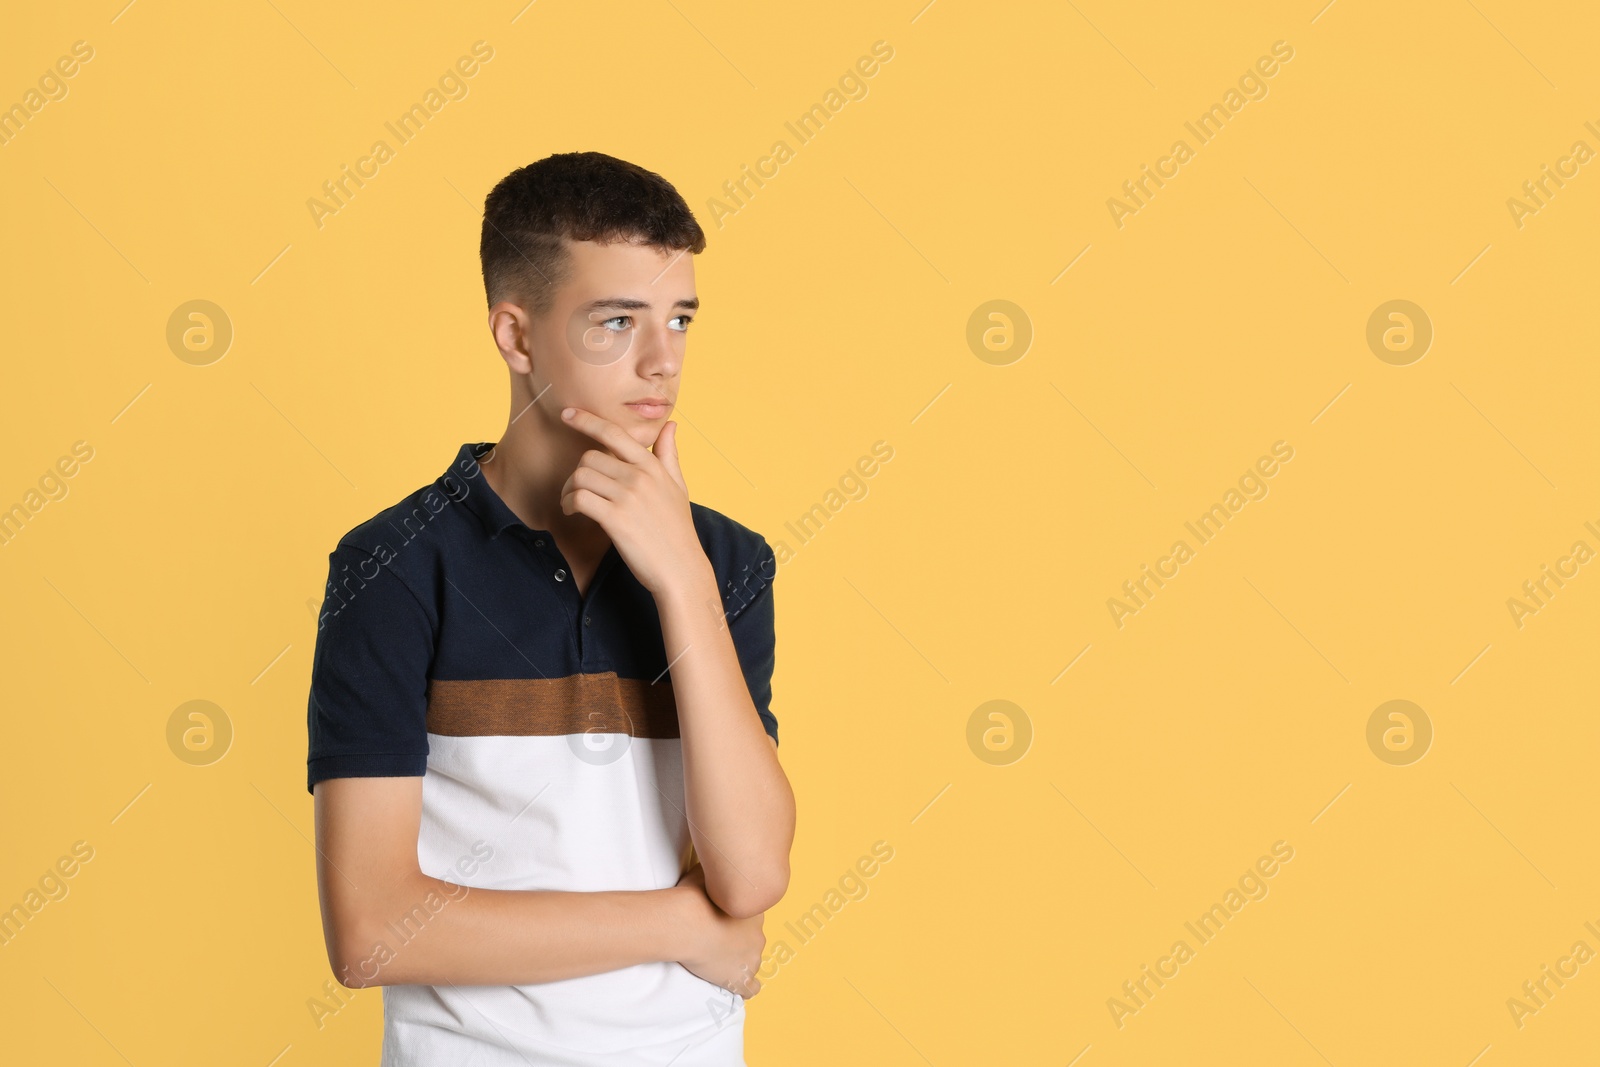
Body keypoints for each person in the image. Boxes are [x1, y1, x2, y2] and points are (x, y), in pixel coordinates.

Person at [305, 151, 796, 1066]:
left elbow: (755, 872)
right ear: (517, 337)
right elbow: (372, 929)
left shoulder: (726, 563)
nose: (663, 361)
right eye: (617, 321)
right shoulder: (395, 566)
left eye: (680, 320)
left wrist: (683, 583)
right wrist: (683, 925)